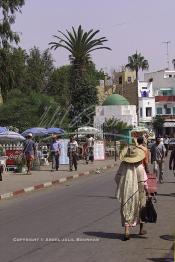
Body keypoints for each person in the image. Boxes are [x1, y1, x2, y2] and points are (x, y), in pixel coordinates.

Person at [115, 145, 149, 241]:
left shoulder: (123, 165)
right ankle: (141, 230)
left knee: (126, 210)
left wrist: (123, 186)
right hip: (137, 193)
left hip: (126, 192)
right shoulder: (139, 166)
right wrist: (147, 192)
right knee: (141, 208)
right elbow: (144, 182)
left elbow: (117, 178)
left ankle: (126, 231)